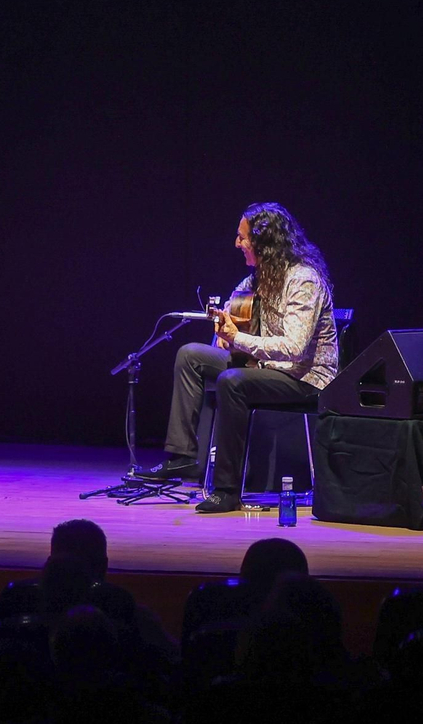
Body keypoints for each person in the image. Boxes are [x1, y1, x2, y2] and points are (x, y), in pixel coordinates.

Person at [138, 203, 338, 513]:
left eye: (242, 237)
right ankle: (183, 458)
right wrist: (223, 324)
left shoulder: (303, 280)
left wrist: (238, 338)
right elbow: (235, 306)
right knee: (190, 355)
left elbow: (295, 347)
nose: (237, 244)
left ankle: (227, 489)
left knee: (233, 381)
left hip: (305, 379)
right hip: (269, 369)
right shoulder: (260, 277)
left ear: (264, 242)